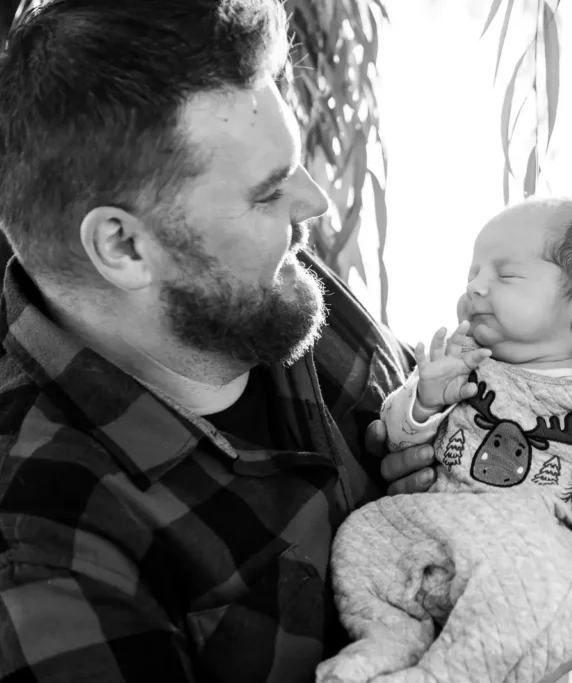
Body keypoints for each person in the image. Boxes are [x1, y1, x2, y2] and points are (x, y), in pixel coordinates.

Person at [0, 1, 424, 681]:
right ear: (124, 245)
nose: (316, 204)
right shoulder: (44, 545)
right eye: (267, 194)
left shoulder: (261, 277)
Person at [318, 199, 572, 683]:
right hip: (434, 524)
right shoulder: (465, 358)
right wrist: (423, 403)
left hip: (541, 548)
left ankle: (445, 676)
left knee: (544, 599)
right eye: (472, 272)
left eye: (506, 276)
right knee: (360, 535)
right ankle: (383, 646)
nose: (475, 286)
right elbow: (394, 438)